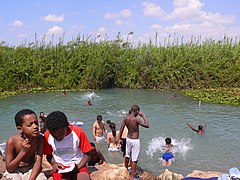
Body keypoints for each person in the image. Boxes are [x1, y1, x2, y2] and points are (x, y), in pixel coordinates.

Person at [43, 111, 92, 180]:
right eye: (54, 136)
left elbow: (88, 154)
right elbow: (49, 156)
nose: (58, 138)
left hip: (78, 165)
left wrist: (78, 166)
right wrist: (55, 163)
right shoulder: (47, 135)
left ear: (67, 126)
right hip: (60, 168)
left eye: (61, 134)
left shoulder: (77, 132)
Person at [4, 109, 47, 180]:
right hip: (15, 171)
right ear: (20, 129)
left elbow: (38, 162)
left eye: (36, 123)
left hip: (31, 168)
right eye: (30, 125)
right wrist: (23, 151)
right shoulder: (12, 141)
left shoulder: (39, 139)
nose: (35, 126)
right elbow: (9, 169)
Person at [119, 104, 149, 179]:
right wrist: (144, 116)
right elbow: (147, 125)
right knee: (134, 159)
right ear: (136, 111)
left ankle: (125, 171)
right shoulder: (136, 119)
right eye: (138, 112)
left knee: (127, 155)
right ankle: (132, 176)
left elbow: (121, 129)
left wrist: (119, 138)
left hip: (128, 139)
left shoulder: (126, 118)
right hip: (135, 140)